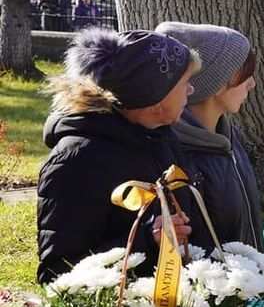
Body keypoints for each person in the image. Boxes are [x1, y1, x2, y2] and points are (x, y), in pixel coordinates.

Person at [37, 28, 197, 279]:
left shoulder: (161, 138)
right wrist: (146, 239)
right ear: (155, 95)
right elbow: (58, 271)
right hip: (122, 304)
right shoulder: (78, 160)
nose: (191, 90)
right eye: (184, 83)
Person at [153, 23, 262, 250]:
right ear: (216, 82)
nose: (252, 84)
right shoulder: (173, 151)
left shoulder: (230, 138)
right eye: (244, 74)